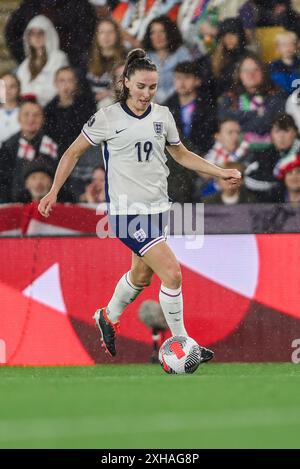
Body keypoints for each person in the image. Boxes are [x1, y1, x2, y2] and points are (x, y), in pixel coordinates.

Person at [38, 48, 241, 358]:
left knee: (142, 276)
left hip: (158, 208)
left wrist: (219, 171)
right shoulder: (107, 117)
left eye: (153, 87)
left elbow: (181, 153)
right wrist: (53, 190)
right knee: (172, 273)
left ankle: (108, 316)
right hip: (126, 213)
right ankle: (185, 344)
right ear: (127, 83)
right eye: (141, 86)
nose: (147, 93)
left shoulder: (163, 115)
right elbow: (72, 152)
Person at [16, 15, 69, 107]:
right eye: (32, 33)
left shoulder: (59, 58)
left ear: (49, 34)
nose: (36, 37)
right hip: (27, 108)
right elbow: (19, 89)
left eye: (40, 33)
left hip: (51, 108)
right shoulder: (25, 64)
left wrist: (35, 97)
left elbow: (58, 87)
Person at [269, 31, 300, 95]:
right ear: (278, 48)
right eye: (284, 44)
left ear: (296, 47)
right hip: (282, 97)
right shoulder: (273, 65)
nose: (288, 47)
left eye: (291, 44)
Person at [0, 73, 21, 147]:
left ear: (19, 89)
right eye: (3, 86)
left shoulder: (26, 113)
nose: (7, 90)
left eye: (12, 86)